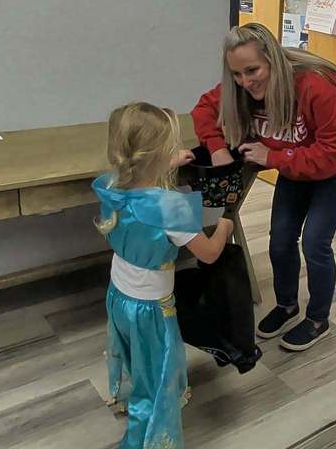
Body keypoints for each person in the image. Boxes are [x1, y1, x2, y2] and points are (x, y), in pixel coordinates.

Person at [192, 23, 336, 351]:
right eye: (236, 74)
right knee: (281, 240)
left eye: (252, 70)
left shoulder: (317, 86)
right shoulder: (241, 88)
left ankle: (318, 318)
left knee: (316, 242)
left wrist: (272, 156)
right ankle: (287, 305)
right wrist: (217, 148)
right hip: (298, 168)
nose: (245, 82)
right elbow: (204, 109)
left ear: (273, 60)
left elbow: (333, 155)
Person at [93, 102, 233, 449]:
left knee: (136, 358)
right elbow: (210, 253)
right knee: (155, 377)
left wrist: (171, 160)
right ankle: (143, 438)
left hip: (119, 297)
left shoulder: (111, 184)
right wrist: (227, 220)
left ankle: (139, 394)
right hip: (152, 309)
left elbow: (139, 179)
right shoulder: (168, 207)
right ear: (156, 155)